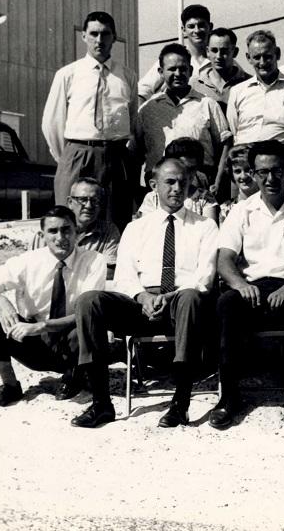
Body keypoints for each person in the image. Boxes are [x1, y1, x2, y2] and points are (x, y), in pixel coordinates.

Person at [70, 157, 218, 428]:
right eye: (169, 182)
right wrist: (143, 297)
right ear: (154, 186)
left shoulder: (205, 226)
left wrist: (167, 297)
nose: (176, 188)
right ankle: (101, 403)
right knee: (89, 301)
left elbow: (204, 278)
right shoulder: (136, 227)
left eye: (183, 183)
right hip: (139, 304)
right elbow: (124, 275)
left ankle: (180, 403)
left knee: (191, 297)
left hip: (180, 304)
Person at [211, 141, 284, 429]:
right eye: (262, 172)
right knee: (226, 303)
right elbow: (224, 259)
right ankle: (229, 396)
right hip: (252, 288)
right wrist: (239, 284)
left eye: (277, 171)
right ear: (252, 174)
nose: (270, 179)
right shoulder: (243, 210)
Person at [0, 206, 107, 406]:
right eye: (52, 231)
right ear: (42, 235)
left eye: (66, 229)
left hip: (71, 341)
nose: (60, 237)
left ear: (76, 231)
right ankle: (9, 385)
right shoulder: (29, 260)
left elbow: (89, 312)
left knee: (85, 321)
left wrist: (43, 326)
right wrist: (1, 301)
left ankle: (73, 377)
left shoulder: (93, 260)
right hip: (31, 342)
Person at [42, 10, 136, 228]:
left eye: (105, 34)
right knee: (70, 221)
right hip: (78, 154)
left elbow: (132, 118)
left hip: (115, 156)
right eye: (93, 34)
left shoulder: (126, 76)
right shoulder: (68, 74)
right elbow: (52, 122)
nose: (99, 40)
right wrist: (68, 157)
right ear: (83, 36)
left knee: (115, 221)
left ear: (114, 37)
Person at [134, 43, 232, 189]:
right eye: (172, 69)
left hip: (199, 185)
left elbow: (225, 147)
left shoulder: (207, 104)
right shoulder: (148, 109)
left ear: (191, 70)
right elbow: (136, 154)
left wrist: (217, 184)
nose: (178, 74)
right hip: (159, 187)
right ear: (161, 72)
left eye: (183, 68)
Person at [225, 30, 284, 187]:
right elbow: (234, 128)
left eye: (267, 56)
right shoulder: (238, 91)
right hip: (247, 164)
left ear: (277, 54)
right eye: (256, 57)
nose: (262, 62)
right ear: (248, 58)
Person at [30, 178, 121, 280]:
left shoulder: (108, 232)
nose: (89, 206)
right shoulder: (49, 230)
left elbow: (109, 272)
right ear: (70, 202)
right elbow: (31, 270)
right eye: (83, 199)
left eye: (95, 200)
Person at [138, 4, 215, 102]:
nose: (196, 30)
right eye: (191, 26)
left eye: (201, 25)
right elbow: (142, 91)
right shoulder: (172, 59)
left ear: (210, 27)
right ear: (183, 30)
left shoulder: (220, 60)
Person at [137, 138, 219, 222]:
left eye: (191, 169)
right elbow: (145, 230)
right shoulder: (153, 198)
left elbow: (210, 231)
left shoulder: (205, 199)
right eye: (181, 168)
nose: (186, 174)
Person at [197, 28, 251, 111]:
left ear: (235, 52)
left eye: (224, 51)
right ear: (207, 51)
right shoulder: (195, 84)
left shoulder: (249, 83)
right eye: (214, 50)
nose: (218, 56)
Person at [218, 144, 258, 224]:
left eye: (247, 170)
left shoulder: (269, 204)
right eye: (237, 171)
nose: (243, 176)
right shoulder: (226, 209)